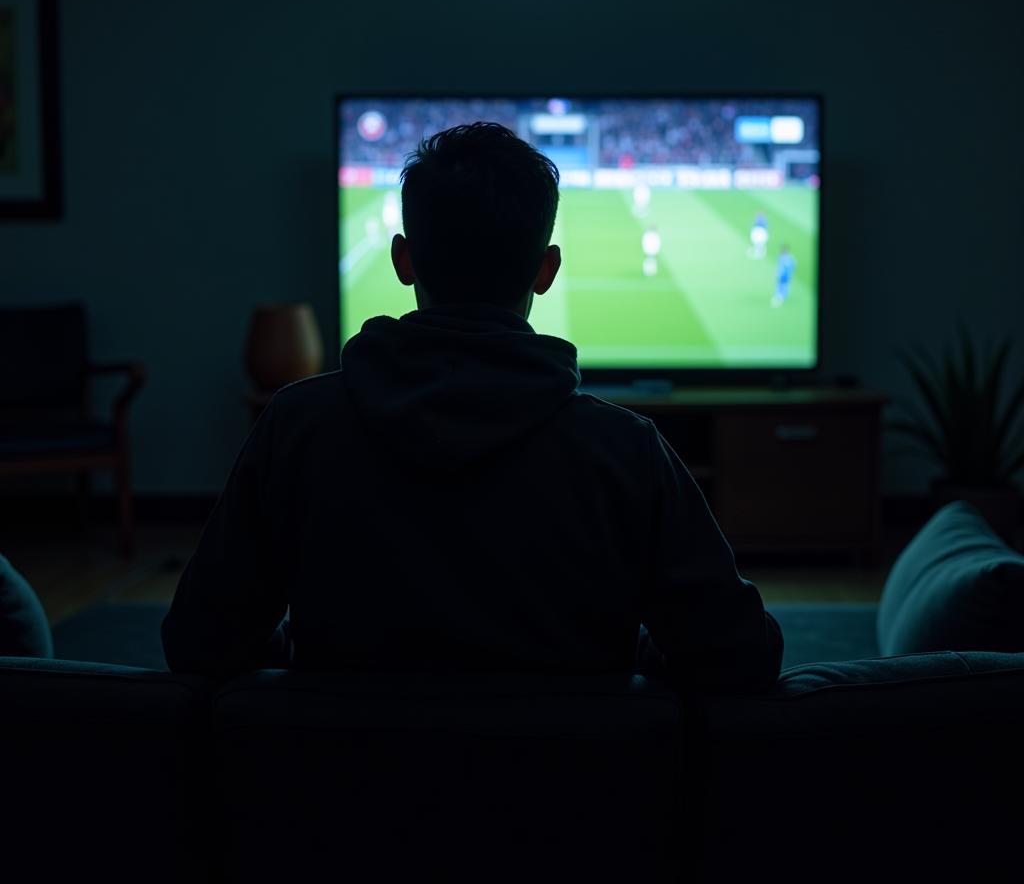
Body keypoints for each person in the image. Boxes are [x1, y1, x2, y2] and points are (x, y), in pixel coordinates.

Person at [162, 122, 782, 693]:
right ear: (546, 270)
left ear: (403, 261)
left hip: (338, 800)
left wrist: (299, 652)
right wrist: (635, 655)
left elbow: (199, 640)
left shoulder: (296, 425)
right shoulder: (626, 449)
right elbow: (741, 656)